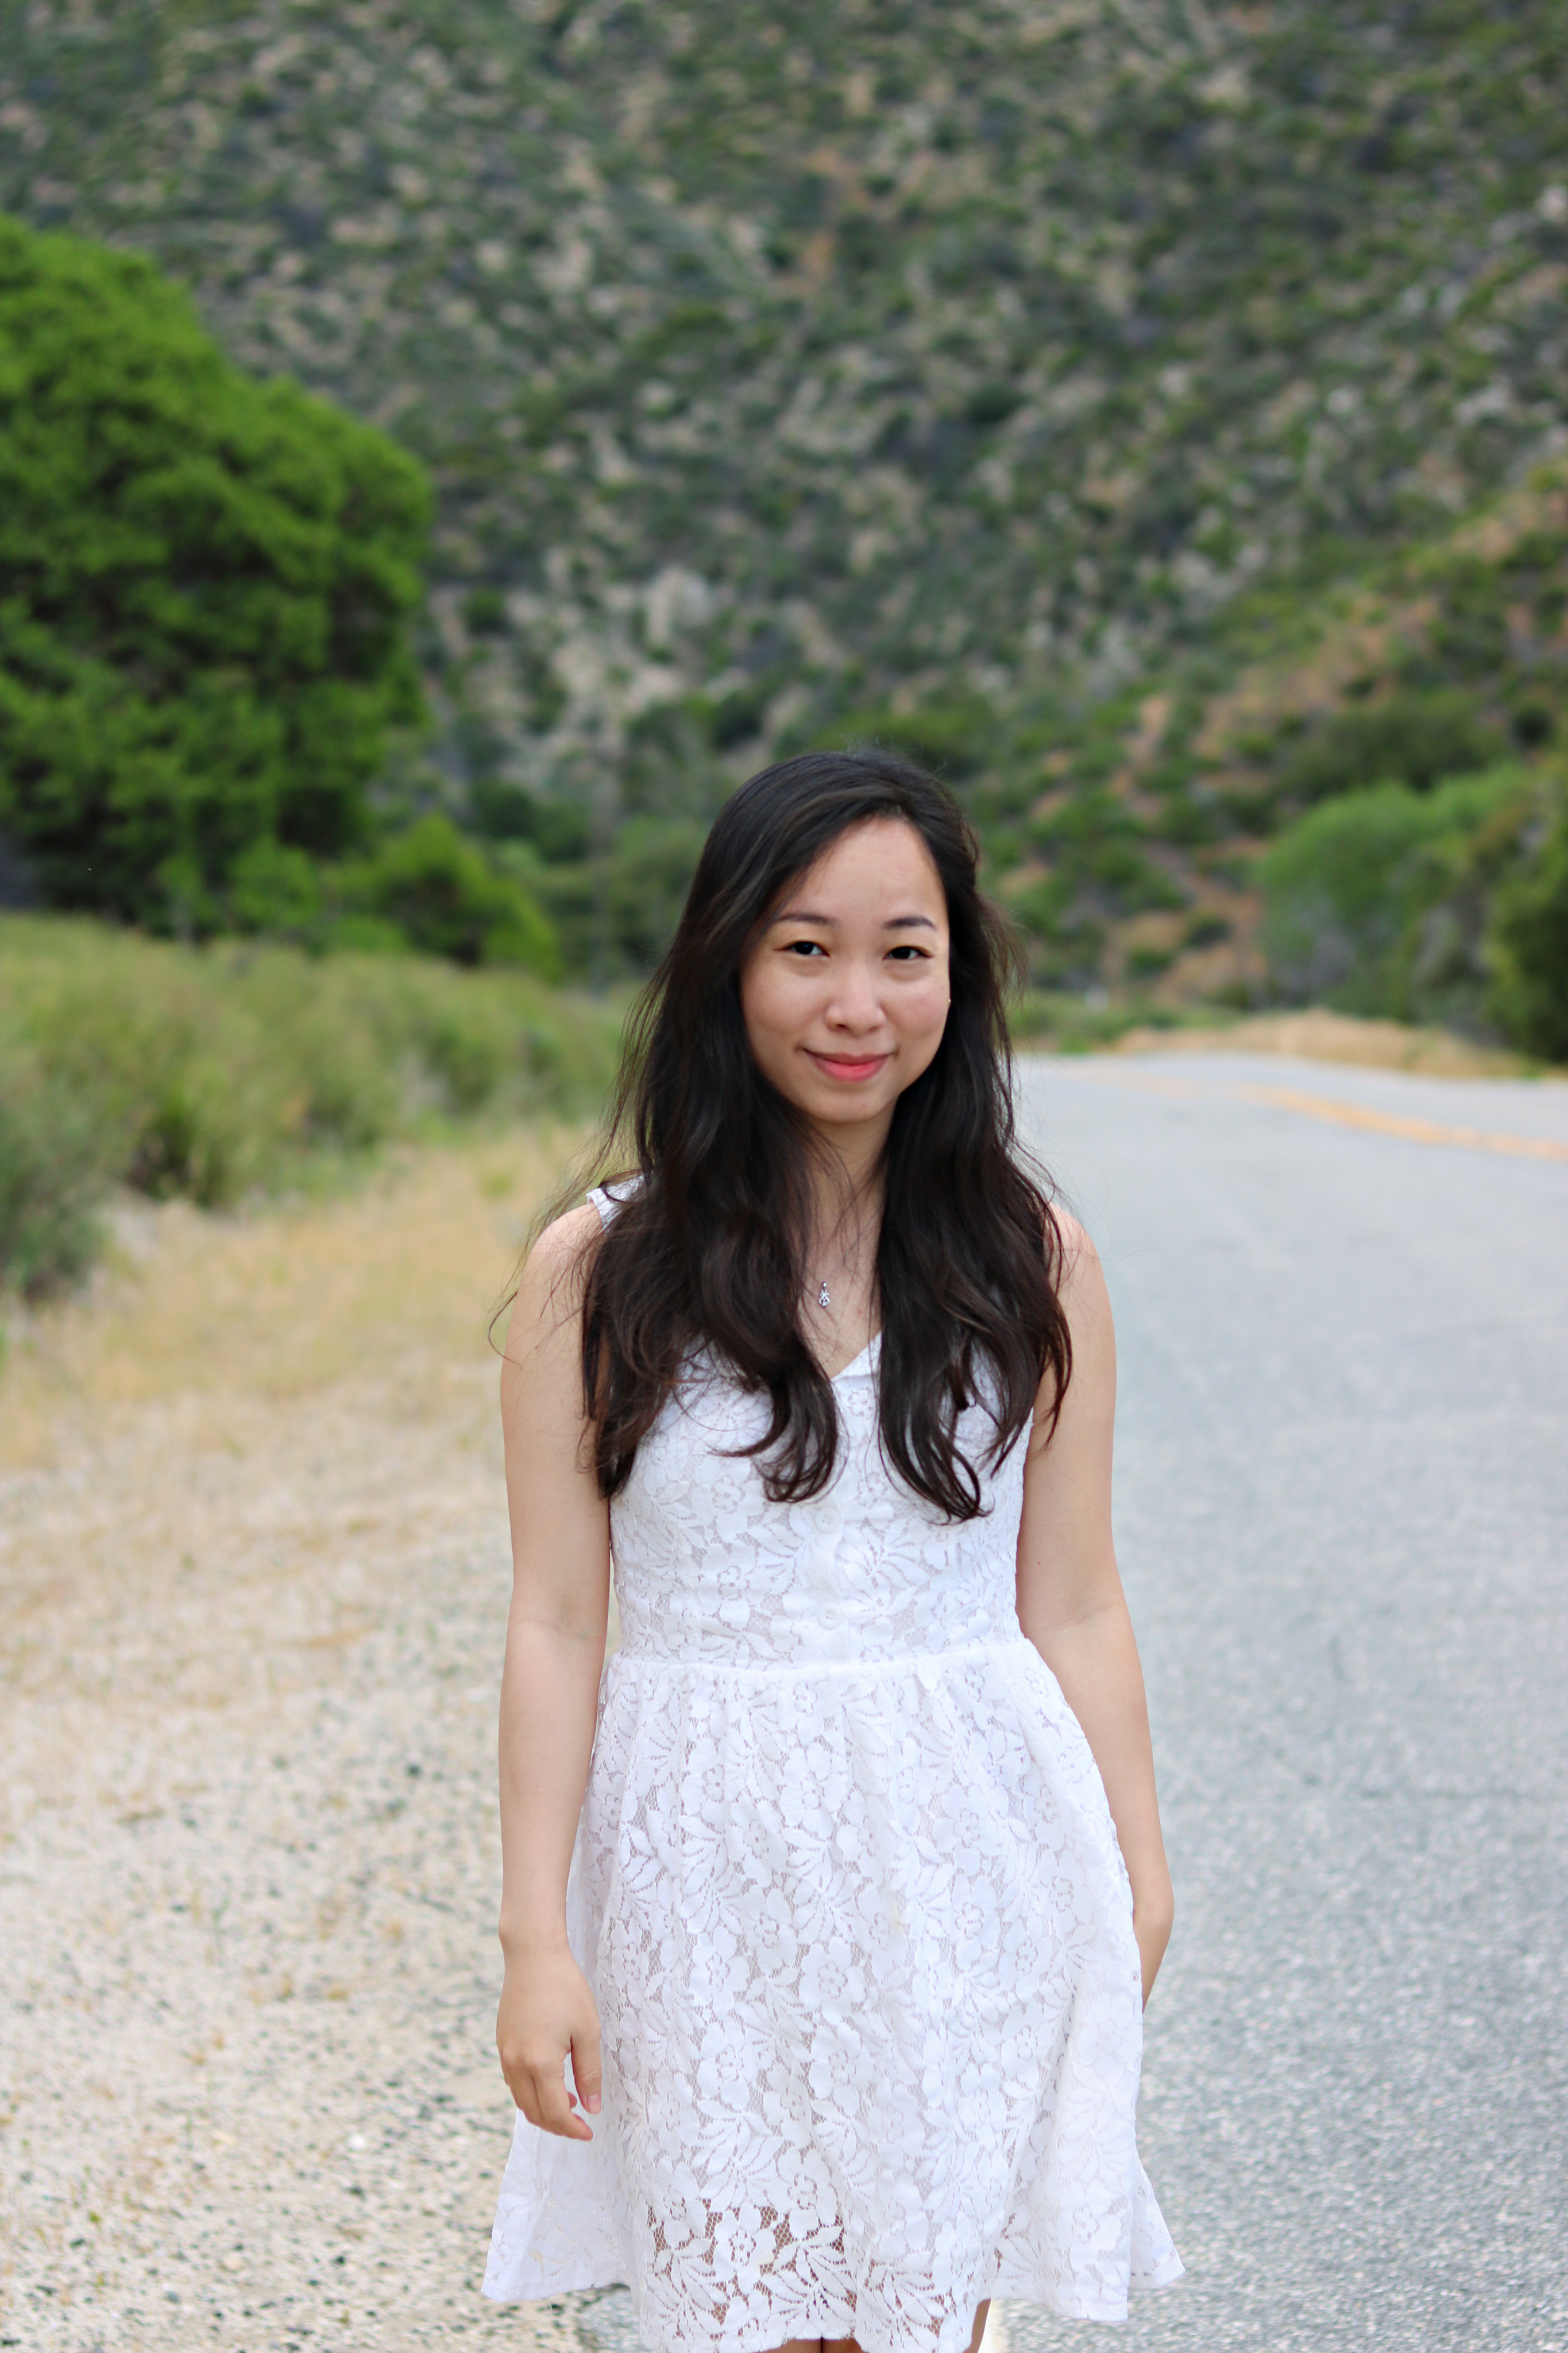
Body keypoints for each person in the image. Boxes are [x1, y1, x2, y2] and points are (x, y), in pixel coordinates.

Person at [483, 751, 1182, 2353]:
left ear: (958, 976)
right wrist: (534, 1939)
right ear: (725, 963)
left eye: (903, 952)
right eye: (805, 948)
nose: (856, 1003)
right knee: (751, 2313)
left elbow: (1076, 1600)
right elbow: (556, 1624)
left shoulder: (1035, 1261)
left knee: (923, 2313)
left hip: (968, 1857)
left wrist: (1137, 1871)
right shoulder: (598, 1270)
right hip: (699, 1881)